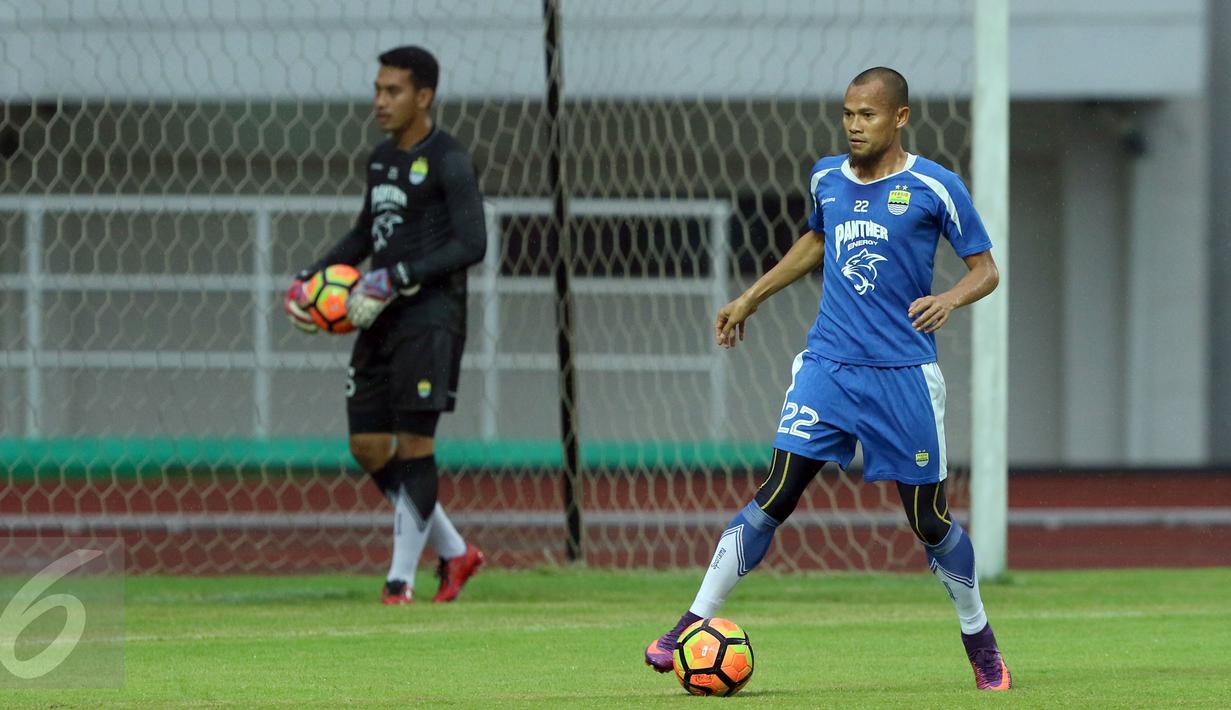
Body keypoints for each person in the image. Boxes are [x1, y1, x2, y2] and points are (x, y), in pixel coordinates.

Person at [643, 67, 1011, 691]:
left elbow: (987, 269)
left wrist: (950, 298)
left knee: (928, 520)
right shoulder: (825, 177)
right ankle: (689, 622)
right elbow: (817, 240)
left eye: (867, 115)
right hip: (828, 367)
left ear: (899, 118)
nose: (853, 125)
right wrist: (750, 297)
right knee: (777, 491)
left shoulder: (934, 186)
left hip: (904, 376)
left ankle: (979, 639)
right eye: (847, 114)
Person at [284, 45, 486, 605]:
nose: (380, 101)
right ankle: (455, 552)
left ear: (424, 96)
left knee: (415, 445)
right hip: (377, 317)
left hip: (431, 318)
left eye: (392, 90)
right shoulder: (380, 160)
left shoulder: (450, 160)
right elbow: (363, 235)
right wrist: (312, 275)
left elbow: (473, 244)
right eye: (377, 89)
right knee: (369, 445)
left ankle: (399, 582)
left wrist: (397, 274)